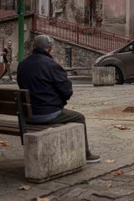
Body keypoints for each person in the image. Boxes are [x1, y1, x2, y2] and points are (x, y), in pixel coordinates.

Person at [17, 34, 101, 163]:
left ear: (34, 46)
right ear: (50, 48)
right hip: (47, 113)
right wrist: (59, 102)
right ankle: (85, 154)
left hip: (27, 115)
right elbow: (66, 91)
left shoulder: (22, 65)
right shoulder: (51, 65)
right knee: (79, 117)